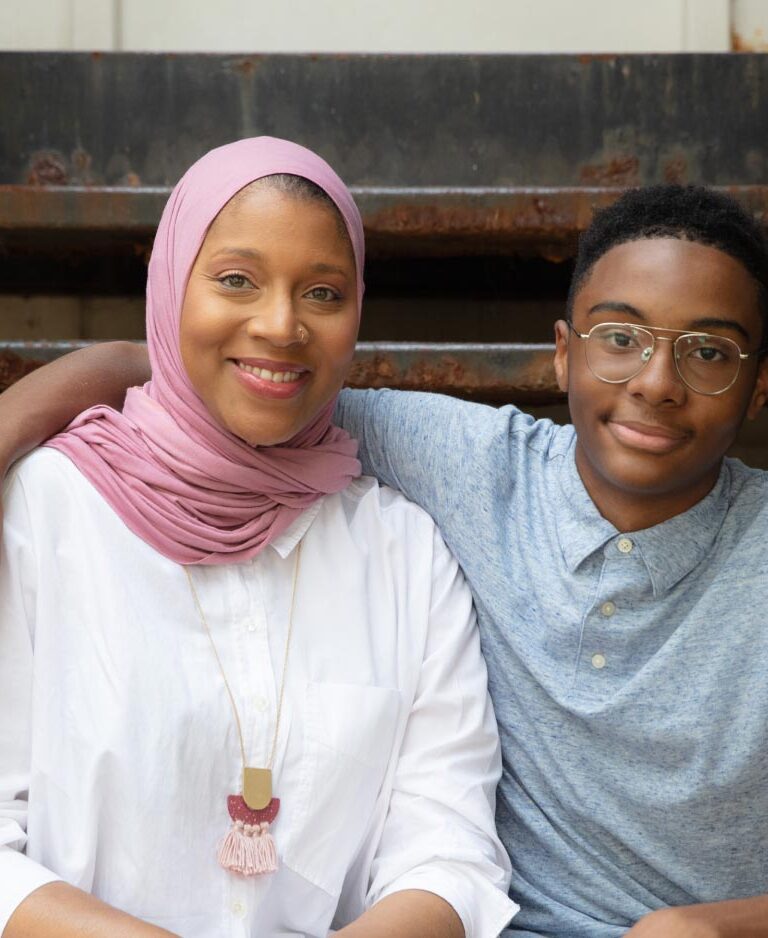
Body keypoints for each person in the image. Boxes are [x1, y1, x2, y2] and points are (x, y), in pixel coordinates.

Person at [1, 184, 767, 937]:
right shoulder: (474, 467)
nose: (658, 384)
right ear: (563, 355)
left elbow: (447, 846)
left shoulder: (401, 537)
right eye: (621, 339)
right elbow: (233, 379)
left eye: (709, 352)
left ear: (759, 385)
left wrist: (709, 929)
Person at [0, 137, 517, 938]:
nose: (280, 325)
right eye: (236, 280)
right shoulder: (43, 512)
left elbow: (448, 851)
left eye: (322, 292)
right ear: (171, 287)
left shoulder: (404, 554)